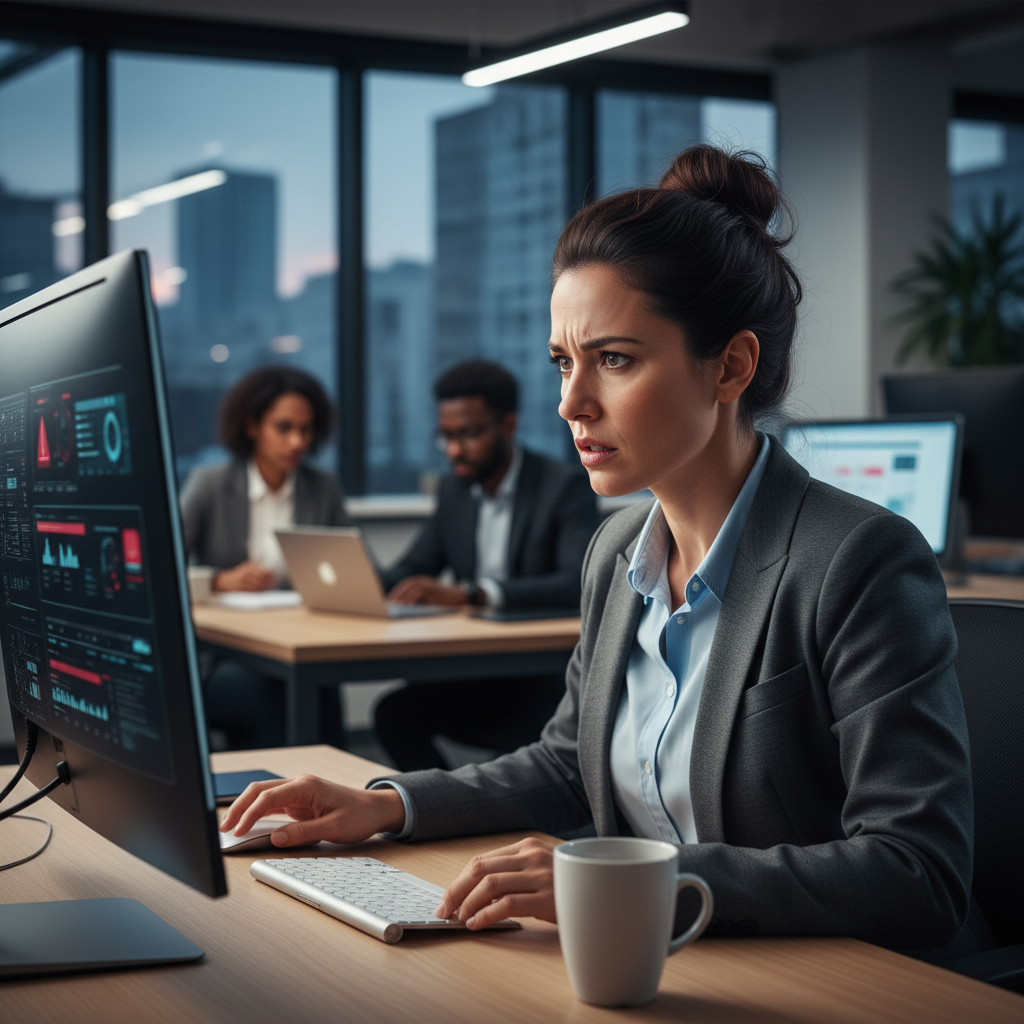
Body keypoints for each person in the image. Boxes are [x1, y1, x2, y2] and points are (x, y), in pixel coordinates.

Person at [221, 146, 977, 958]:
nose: (571, 402)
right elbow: (564, 765)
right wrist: (388, 804)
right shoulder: (617, 549)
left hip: (836, 985)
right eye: (562, 361)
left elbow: (918, 872)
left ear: (731, 366)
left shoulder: (857, 560)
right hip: (666, 965)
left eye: (614, 359)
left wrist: (631, 880)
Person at [374, 359, 601, 770]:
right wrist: (356, 581)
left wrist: (471, 594)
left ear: (508, 426)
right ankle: (444, 810)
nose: (455, 450)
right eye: (446, 437)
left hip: (542, 677)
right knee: (394, 715)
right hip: (476, 671)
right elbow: (413, 566)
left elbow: (576, 583)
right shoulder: (455, 490)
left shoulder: (563, 487)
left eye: (469, 434)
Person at [180, 366, 348, 748]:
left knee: (321, 683)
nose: (297, 442)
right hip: (225, 655)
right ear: (252, 425)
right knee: (264, 692)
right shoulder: (210, 484)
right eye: (284, 427)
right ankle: (269, 796)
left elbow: (359, 565)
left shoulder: (321, 488)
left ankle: (338, 793)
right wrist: (219, 581)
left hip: (296, 642)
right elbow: (160, 568)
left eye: (305, 430)